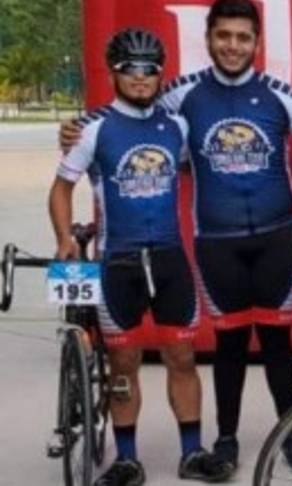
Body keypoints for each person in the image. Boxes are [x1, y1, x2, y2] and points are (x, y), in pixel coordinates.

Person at [60, 0, 292, 470]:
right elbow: (129, 113)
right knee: (230, 346)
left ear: (257, 43)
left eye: (243, 37)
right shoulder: (180, 96)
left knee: (278, 344)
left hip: (278, 238)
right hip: (216, 242)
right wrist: (75, 130)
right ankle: (225, 440)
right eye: (224, 36)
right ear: (209, 39)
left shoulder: (281, 95)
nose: (233, 45)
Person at [49, 29, 233, 485]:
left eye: (149, 69)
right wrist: (64, 240)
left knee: (182, 358)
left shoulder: (177, 128)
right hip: (119, 261)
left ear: (160, 74)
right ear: (114, 72)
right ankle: (127, 459)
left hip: (170, 258)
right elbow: (61, 189)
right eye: (129, 68)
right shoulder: (94, 130)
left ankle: (192, 453)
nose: (140, 77)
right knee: (124, 364)